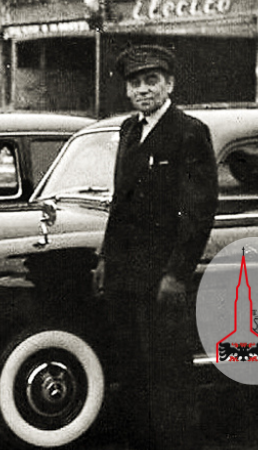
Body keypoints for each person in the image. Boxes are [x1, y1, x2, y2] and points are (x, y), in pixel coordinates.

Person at [95, 45, 217, 450]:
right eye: (135, 83)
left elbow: (198, 213)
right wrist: (103, 258)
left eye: (151, 81)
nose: (143, 90)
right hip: (124, 273)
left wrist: (176, 275)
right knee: (130, 366)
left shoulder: (188, 131)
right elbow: (120, 202)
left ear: (169, 84)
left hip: (161, 276)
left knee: (168, 371)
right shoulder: (130, 129)